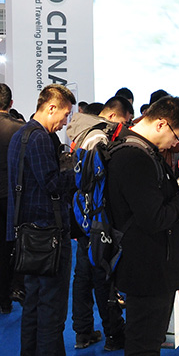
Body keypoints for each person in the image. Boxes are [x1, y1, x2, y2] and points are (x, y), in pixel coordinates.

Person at [108, 96, 179, 355]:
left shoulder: (141, 151)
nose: (176, 143)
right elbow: (154, 217)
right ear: (161, 124)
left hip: (151, 265)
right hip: (146, 267)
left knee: (149, 339)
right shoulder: (134, 156)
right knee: (144, 342)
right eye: (177, 136)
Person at [6, 84, 76, 356]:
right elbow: (53, 185)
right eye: (65, 114)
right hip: (47, 235)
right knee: (50, 309)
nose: (65, 121)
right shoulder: (39, 139)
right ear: (51, 107)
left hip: (31, 234)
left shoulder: (21, 135)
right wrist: (74, 171)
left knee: (34, 304)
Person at [65, 95, 134, 351]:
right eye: (125, 121)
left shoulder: (83, 133)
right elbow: (98, 181)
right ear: (114, 115)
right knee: (102, 274)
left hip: (83, 215)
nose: (125, 127)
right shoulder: (98, 137)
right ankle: (113, 333)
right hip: (98, 217)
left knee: (83, 275)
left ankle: (83, 331)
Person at [0, 83, 24, 315]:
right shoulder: (20, 129)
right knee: (10, 247)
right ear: (11, 104)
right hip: (11, 198)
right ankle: (7, 297)